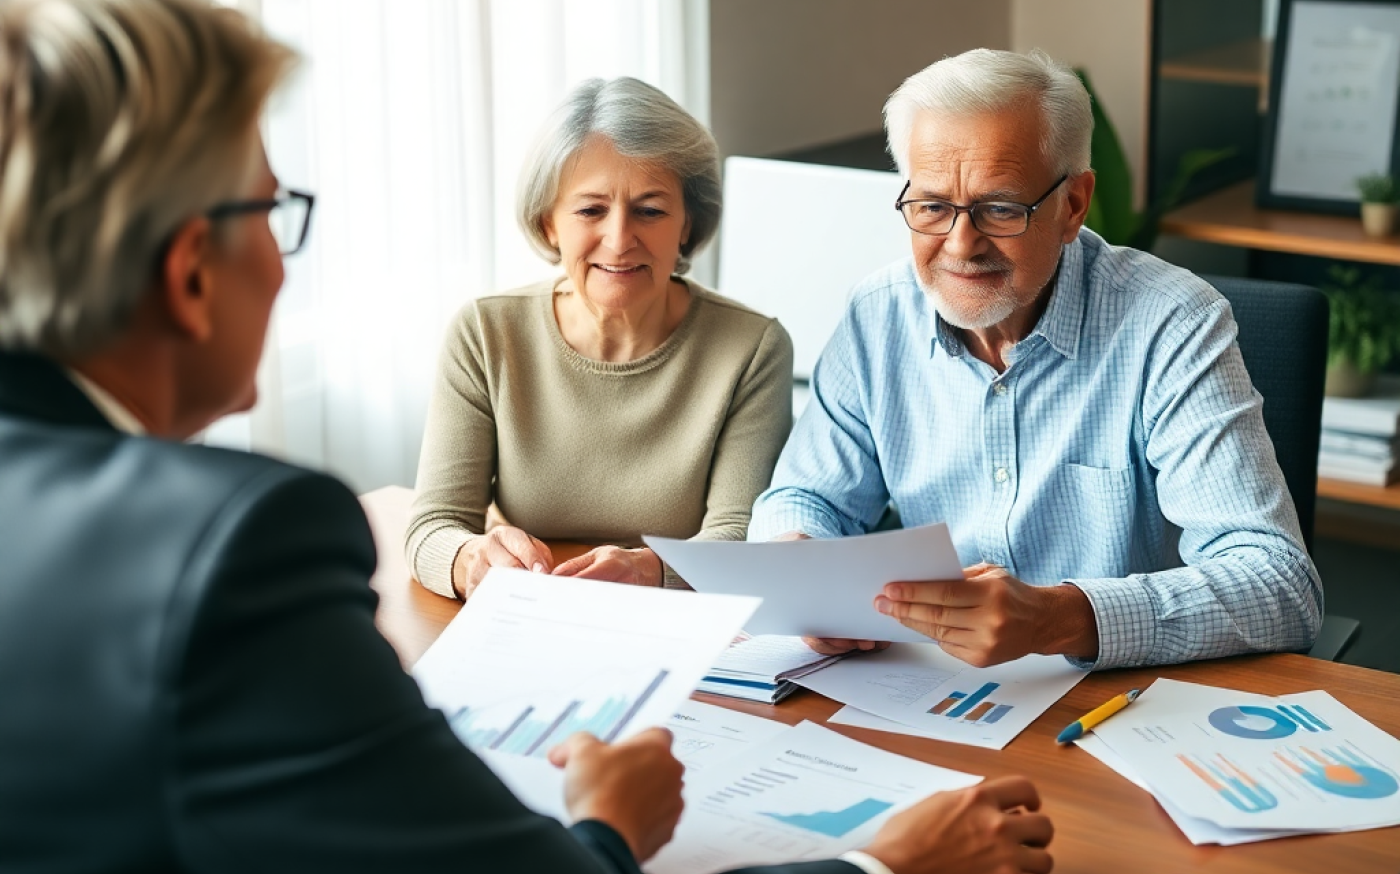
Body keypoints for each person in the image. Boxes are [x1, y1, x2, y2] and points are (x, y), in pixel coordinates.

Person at [0, 3, 1054, 873]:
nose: (284, 266)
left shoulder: (749, 344)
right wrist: (875, 865)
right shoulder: (239, 545)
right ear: (190, 273)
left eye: (650, 209)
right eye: (275, 217)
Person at [749, 48, 1322, 671]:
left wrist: (1058, 617)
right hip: (929, 692)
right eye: (933, 207)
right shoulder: (878, 315)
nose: (961, 246)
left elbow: (1279, 585)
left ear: (1073, 204)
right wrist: (802, 568)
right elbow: (807, 497)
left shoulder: (1171, 324)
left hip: (1118, 698)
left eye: (1000, 208)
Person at [404, 77, 794, 601]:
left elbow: (739, 536)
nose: (619, 239)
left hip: (679, 619)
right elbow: (433, 523)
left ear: (686, 224)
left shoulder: (752, 347)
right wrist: (468, 560)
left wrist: (652, 571)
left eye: (650, 210)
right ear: (548, 225)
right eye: (590, 210)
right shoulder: (484, 333)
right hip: (533, 612)